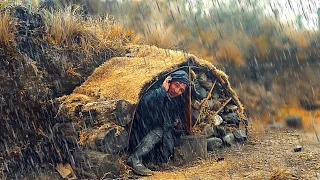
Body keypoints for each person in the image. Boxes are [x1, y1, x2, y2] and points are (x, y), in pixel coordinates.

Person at [127, 70, 189, 176]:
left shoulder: (172, 100)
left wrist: (173, 121)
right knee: (160, 131)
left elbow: (165, 116)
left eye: (181, 90)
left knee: (166, 134)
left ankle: (149, 161)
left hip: (149, 138)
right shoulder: (155, 89)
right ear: (169, 81)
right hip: (138, 133)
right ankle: (134, 158)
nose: (177, 91)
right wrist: (162, 91)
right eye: (176, 85)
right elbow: (145, 104)